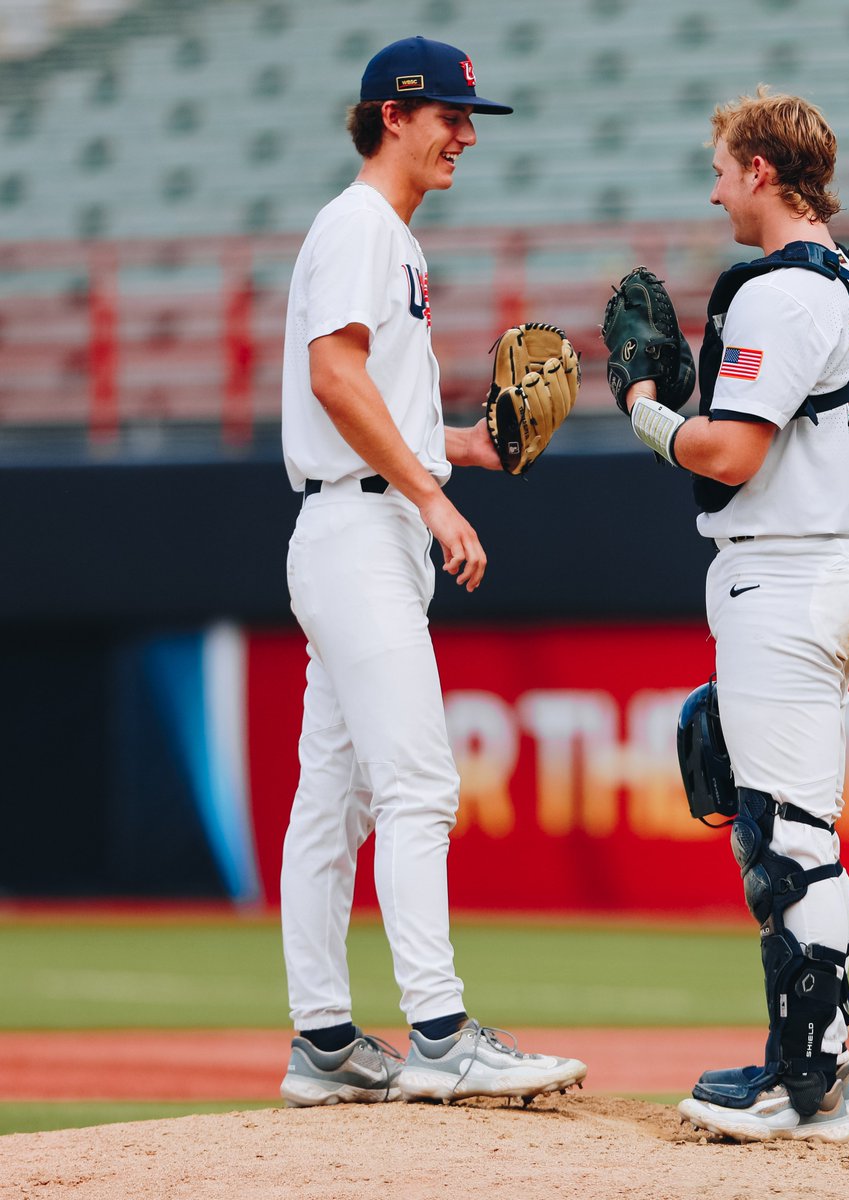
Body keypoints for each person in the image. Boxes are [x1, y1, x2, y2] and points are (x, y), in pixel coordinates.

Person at [277, 35, 586, 1108]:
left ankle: (321, 1039)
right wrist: (431, 493)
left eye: (469, 117)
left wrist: (461, 446)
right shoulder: (362, 224)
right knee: (418, 785)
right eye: (450, 115)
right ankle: (443, 1033)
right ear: (392, 116)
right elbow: (331, 375)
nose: (465, 133)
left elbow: (371, 403)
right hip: (361, 535)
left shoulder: (386, 236)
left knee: (337, 797)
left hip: (358, 525)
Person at [622, 88, 849, 1142]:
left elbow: (732, 453)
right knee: (781, 820)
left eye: (725, 167)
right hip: (829, 560)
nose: (714, 187)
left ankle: (807, 1083)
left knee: (786, 837)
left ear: (765, 173)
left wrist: (651, 415)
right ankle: (821, 1066)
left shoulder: (787, 291)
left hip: (787, 572)